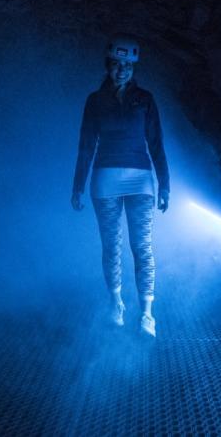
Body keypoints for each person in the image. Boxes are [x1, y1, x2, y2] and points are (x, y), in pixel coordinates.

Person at [71, 34, 170, 338]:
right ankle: (116, 305)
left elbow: (156, 142)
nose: (122, 70)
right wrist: (77, 185)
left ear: (134, 68)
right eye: (117, 64)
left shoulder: (145, 99)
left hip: (141, 180)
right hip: (105, 179)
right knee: (111, 246)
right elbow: (86, 145)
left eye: (128, 65)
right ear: (108, 65)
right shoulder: (95, 100)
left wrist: (165, 184)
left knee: (142, 246)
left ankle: (147, 315)